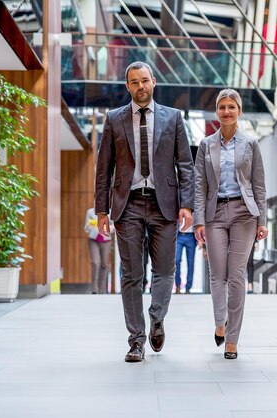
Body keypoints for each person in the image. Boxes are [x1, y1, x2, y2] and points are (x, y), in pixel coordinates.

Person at [95, 61, 195, 363]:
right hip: (128, 205)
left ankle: (156, 319)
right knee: (131, 275)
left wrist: (187, 205)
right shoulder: (114, 119)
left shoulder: (174, 118)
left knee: (165, 271)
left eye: (145, 81)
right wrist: (102, 210)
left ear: (153, 82)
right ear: (127, 86)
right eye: (134, 82)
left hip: (164, 203)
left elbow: (185, 166)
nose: (140, 87)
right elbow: (104, 168)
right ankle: (136, 340)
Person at [193, 89, 268, 360]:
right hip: (214, 214)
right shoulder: (205, 145)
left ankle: (232, 339)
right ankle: (220, 322)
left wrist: (263, 220)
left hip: (244, 213)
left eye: (231, 107)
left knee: (236, 276)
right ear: (216, 112)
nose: (226, 111)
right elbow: (199, 185)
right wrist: (199, 220)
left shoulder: (250, 144)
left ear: (239, 111)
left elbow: (259, 186)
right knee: (217, 275)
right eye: (222, 107)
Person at [84, 208, 113, 294]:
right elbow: (86, 228)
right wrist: (93, 225)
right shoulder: (90, 212)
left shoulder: (110, 212)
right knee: (95, 262)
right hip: (93, 239)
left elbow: (113, 226)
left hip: (106, 240)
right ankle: (94, 289)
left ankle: (102, 289)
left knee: (104, 263)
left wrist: (105, 227)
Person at [175, 223, 197, 294]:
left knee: (190, 263)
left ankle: (188, 287)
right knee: (176, 260)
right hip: (179, 235)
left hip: (191, 236)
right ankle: (177, 285)